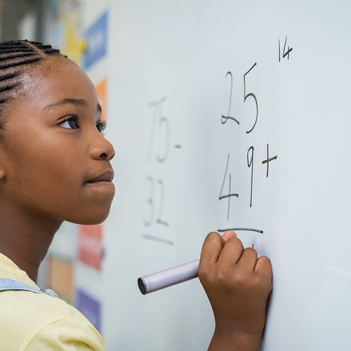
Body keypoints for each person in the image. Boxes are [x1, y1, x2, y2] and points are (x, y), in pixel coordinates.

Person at [0, 39, 272, 351]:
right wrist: (236, 333)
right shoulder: (46, 336)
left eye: (100, 125)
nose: (106, 146)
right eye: (70, 122)